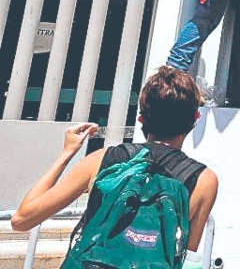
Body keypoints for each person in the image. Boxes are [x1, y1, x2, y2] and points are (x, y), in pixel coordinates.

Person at [12, 67, 219, 257]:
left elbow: (22, 220)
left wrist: (67, 153)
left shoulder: (102, 160)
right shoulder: (204, 181)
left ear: (141, 119)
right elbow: (183, 254)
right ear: (195, 117)